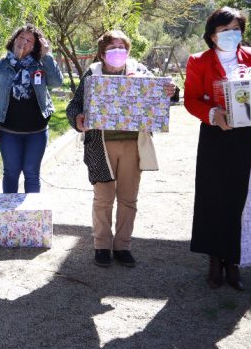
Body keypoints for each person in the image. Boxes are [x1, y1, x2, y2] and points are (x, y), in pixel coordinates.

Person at [65, 31, 176, 268]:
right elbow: (74, 106)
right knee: (103, 198)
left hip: (133, 146)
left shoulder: (140, 72)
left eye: (122, 47)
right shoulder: (92, 74)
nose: (118, 52)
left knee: (128, 198)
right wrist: (78, 119)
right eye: (112, 48)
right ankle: (102, 246)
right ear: (102, 53)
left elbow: (162, 94)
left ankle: (123, 246)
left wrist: (170, 91)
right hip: (100, 146)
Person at [184, 7, 251, 290]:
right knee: (214, 197)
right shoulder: (198, 61)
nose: (231, 34)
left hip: (249, 137)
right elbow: (191, 99)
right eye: (225, 30)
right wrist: (214, 114)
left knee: (244, 198)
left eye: (236, 29)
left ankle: (235, 260)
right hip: (216, 136)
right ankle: (214, 259)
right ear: (212, 35)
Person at [0, 23, 63, 193]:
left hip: (37, 131)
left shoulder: (40, 65)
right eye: (21, 38)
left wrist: (47, 56)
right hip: (8, 131)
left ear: (35, 47)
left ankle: (31, 218)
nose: (23, 42)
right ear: (13, 40)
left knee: (32, 173)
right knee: (11, 173)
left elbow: (56, 83)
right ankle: (9, 218)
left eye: (29, 41)